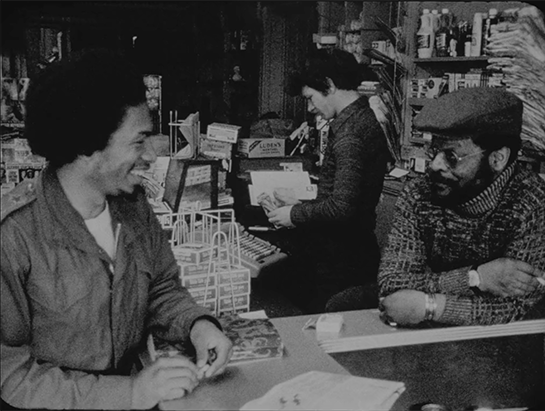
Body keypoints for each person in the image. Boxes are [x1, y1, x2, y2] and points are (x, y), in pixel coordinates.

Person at [0, 49, 232, 410]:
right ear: (88, 146)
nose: (151, 157)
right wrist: (130, 393)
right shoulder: (15, 234)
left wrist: (198, 326)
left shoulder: (132, 207)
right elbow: (11, 374)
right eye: (138, 141)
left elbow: (161, 288)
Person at [375, 87, 545, 326]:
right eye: (433, 151)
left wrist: (430, 306)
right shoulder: (419, 194)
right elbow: (393, 284)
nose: (434, 165)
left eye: (451, 157)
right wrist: (476, 277)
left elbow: (517, 310)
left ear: (498, 159)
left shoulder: (535, 205)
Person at [266, 48, 390, 313]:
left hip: (343, 260)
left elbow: (342, 208)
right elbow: (346, 197)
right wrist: (302, 202)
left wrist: (295, 214)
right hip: (352, 252)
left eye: (310, 97)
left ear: (330, 85)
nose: (311, 108)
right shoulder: (360, 120)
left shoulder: (350, 134)